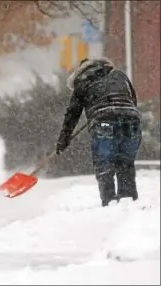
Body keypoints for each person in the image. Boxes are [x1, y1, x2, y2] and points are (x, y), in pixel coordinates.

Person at [56, 58, 142, 207]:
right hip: (131, 120)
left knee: (104, 165)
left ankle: (109, 201)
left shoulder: (82, 81)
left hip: (104, 121)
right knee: (125, 163)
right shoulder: (119, 74)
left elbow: (73, 113)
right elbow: (132, 99)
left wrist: (64, 138)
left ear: (81, 70)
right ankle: (127, 200)